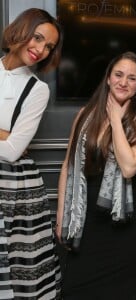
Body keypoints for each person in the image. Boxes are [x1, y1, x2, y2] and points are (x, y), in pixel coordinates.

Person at [56, 51, 136, 300]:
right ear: (108, 79)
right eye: (119, 75)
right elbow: (68, 167)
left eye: (132, 78)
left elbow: (129, 167)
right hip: (87, 217)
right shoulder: (84, 115)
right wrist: (61, 216)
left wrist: (115, 119)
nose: (124, 82)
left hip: (129, 222)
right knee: (75, 289)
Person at [0, 8, 63, 299]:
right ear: (22, 30)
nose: (41, 50)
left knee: (15, 271)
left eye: (49, 46)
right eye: (37, 38)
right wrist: (5, 133)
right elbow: (11, 141)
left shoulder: (37, 90)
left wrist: (9, 139)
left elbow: (13, 151)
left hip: (14, 187)